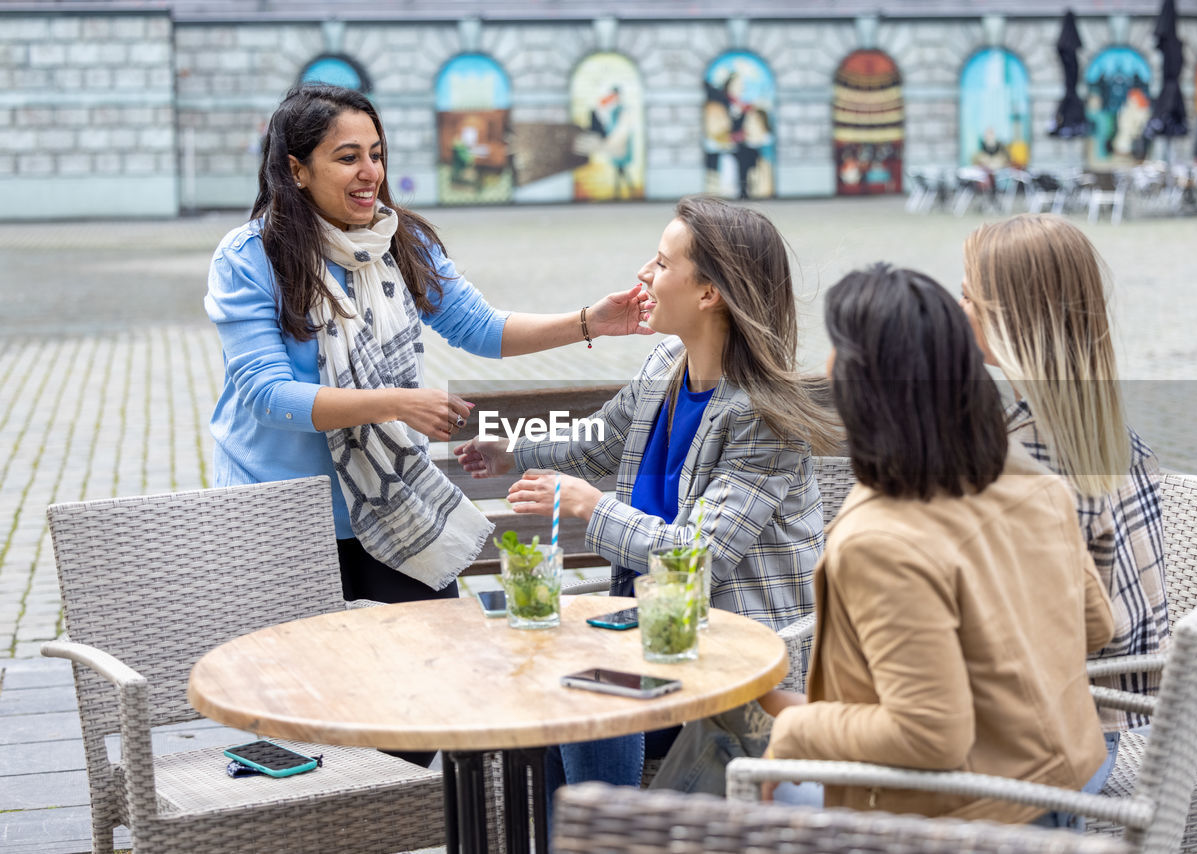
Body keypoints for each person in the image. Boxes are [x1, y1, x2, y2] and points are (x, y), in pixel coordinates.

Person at [205, 83, 652, 609]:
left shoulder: (401, 242)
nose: (370, 171)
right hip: (282, 515)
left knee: (434, 664)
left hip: (394, 496)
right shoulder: (250, 257)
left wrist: (589, 322)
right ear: (296, 170)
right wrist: (397, 403)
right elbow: (267, 396)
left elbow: (481, 328)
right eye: (347, 158)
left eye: (376, 155)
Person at [455, 195, 838, 794]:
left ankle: (603, 834)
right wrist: (513, 450)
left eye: (660, 264)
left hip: (732, 661)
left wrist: (591, 506)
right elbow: (604, 437)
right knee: (550, 698)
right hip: (651, 638)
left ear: (709, 293)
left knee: (589, 702)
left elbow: (699, 556)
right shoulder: (667, 361)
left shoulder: (761, 418)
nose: (643, 274)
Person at [763, 263, 1114, 827]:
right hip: (1069, 776)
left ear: (855, 381)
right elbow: (1096, 626)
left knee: (717, 784)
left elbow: (930, 734)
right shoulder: (1033, 479)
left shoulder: (881, 541)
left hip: (975, 813)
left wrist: (795, 726)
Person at [960, 213, 1169, 791]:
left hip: (1055, 744)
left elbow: (1007, 641)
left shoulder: (1026, 460)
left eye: (967, 298)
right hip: (1115, 716)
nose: (959, 314)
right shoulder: (1113, 435)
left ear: (1009, 321)